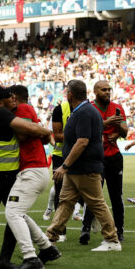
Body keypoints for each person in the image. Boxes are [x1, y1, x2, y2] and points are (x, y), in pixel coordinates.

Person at [0, 85, 54, 269]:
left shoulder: (7, 113)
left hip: (7, 176)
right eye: (9, 96)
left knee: (14, 213)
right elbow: (29, 128)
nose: (13, 98)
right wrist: (47, 132)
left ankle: (4, 259)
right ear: (0, 103)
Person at [46, 80, 122, 252]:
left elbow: (82, 142)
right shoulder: (86, 111)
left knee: (96, 203)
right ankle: (50, 237)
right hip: (77, 169)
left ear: (70, 94)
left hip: (84, 167)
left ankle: (112, 240)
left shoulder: (84, 112)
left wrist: (64, 166)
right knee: (65, 202)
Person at [5, 85, 61, 269]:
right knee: (18, 212)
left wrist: (9, 121)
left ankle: (30, 257)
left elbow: (22, 134)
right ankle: (47, 248)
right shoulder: (28, 110)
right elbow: (43, 136)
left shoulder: (22, 109)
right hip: (35, 168)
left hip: (32, 169)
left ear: (14, 97)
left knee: (12, 213)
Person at [80, 80, 128, 244]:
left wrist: (119, 129)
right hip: (95, 158)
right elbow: (91, 130)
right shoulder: (89, 108)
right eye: (103, 89)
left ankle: (119, 231)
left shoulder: (117, 108)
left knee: (116, 196)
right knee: (93, 196)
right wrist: (109, 122)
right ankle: (85, 229)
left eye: (109, 89)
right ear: (95, 91)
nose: (107, 92)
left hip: (114, 157)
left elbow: (125, 131)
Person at [43, 100, 84, 237]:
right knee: (59, 192)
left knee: (85, 189)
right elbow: (51, 134)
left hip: (80, 155)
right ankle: (61, 232)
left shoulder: (84, 108)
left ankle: (88, 222)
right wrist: (56, 144)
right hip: (60, 156)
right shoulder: (59, 110)